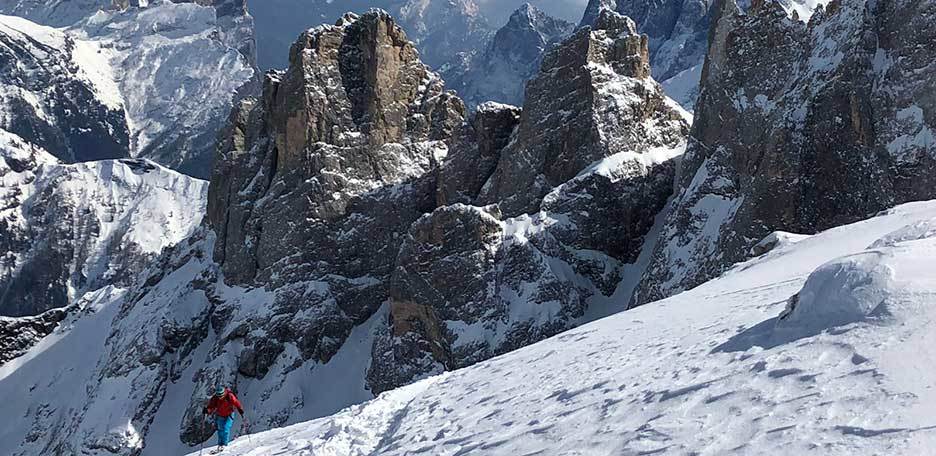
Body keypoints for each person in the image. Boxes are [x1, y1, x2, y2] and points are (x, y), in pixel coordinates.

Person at [203, 386, 245, 451]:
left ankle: (224, 445)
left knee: (225, 428)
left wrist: (240, 409)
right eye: (218, 395)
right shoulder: (215, 398)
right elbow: (211, 406)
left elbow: (236, 402)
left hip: (229, 415)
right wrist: (207, 410)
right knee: (220, 430)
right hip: (220, 415)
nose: (220, 397)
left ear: (224, 393)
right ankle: (220, 445)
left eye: (221, 395)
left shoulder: (229, 396)